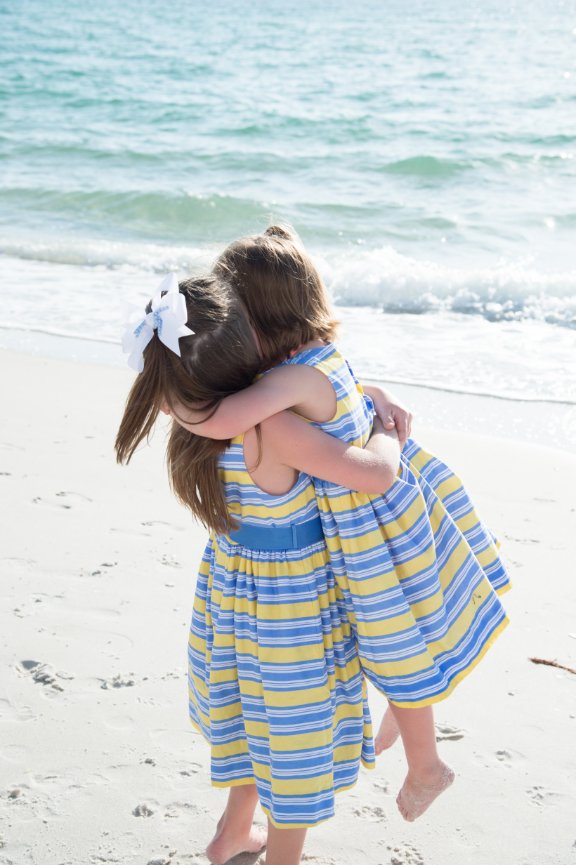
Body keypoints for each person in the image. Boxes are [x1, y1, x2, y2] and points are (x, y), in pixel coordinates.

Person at [169, 225, 511, 823]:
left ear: (256, 316)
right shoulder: (316, 359)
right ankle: (414, 737)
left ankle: (426, 765)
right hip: (386, 517)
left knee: (394, 640)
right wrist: (377, 396)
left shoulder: (286, 383)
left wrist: (165, 382)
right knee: (401, 637)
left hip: (372, 527)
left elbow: (220, 419)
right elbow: (339, 390)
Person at [115, 273, 404, 865]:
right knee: (295, 739)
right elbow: (376, 474)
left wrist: (368, 389)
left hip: (232, 587)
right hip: (291, 605)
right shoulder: (275, 427)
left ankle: (231, 833)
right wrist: (383, 429)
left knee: (253, 715)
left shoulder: (189, 415)